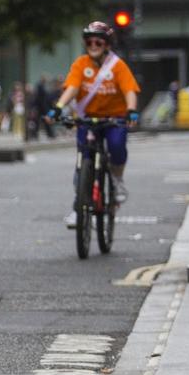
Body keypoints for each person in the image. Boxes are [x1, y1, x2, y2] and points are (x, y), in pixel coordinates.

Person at [45, 20, 141, 227]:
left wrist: (131, 111)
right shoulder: (81, 64)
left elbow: (129, 90)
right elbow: (72, 88)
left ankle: (117, 180)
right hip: (87, 119)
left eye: (98, 42)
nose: (93, 46)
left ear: (107, 45)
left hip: (114, 119)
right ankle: (78, 207)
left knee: (116, 146)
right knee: (84, 160)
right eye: (89, 42)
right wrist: (59, 107)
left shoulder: (117, 65)